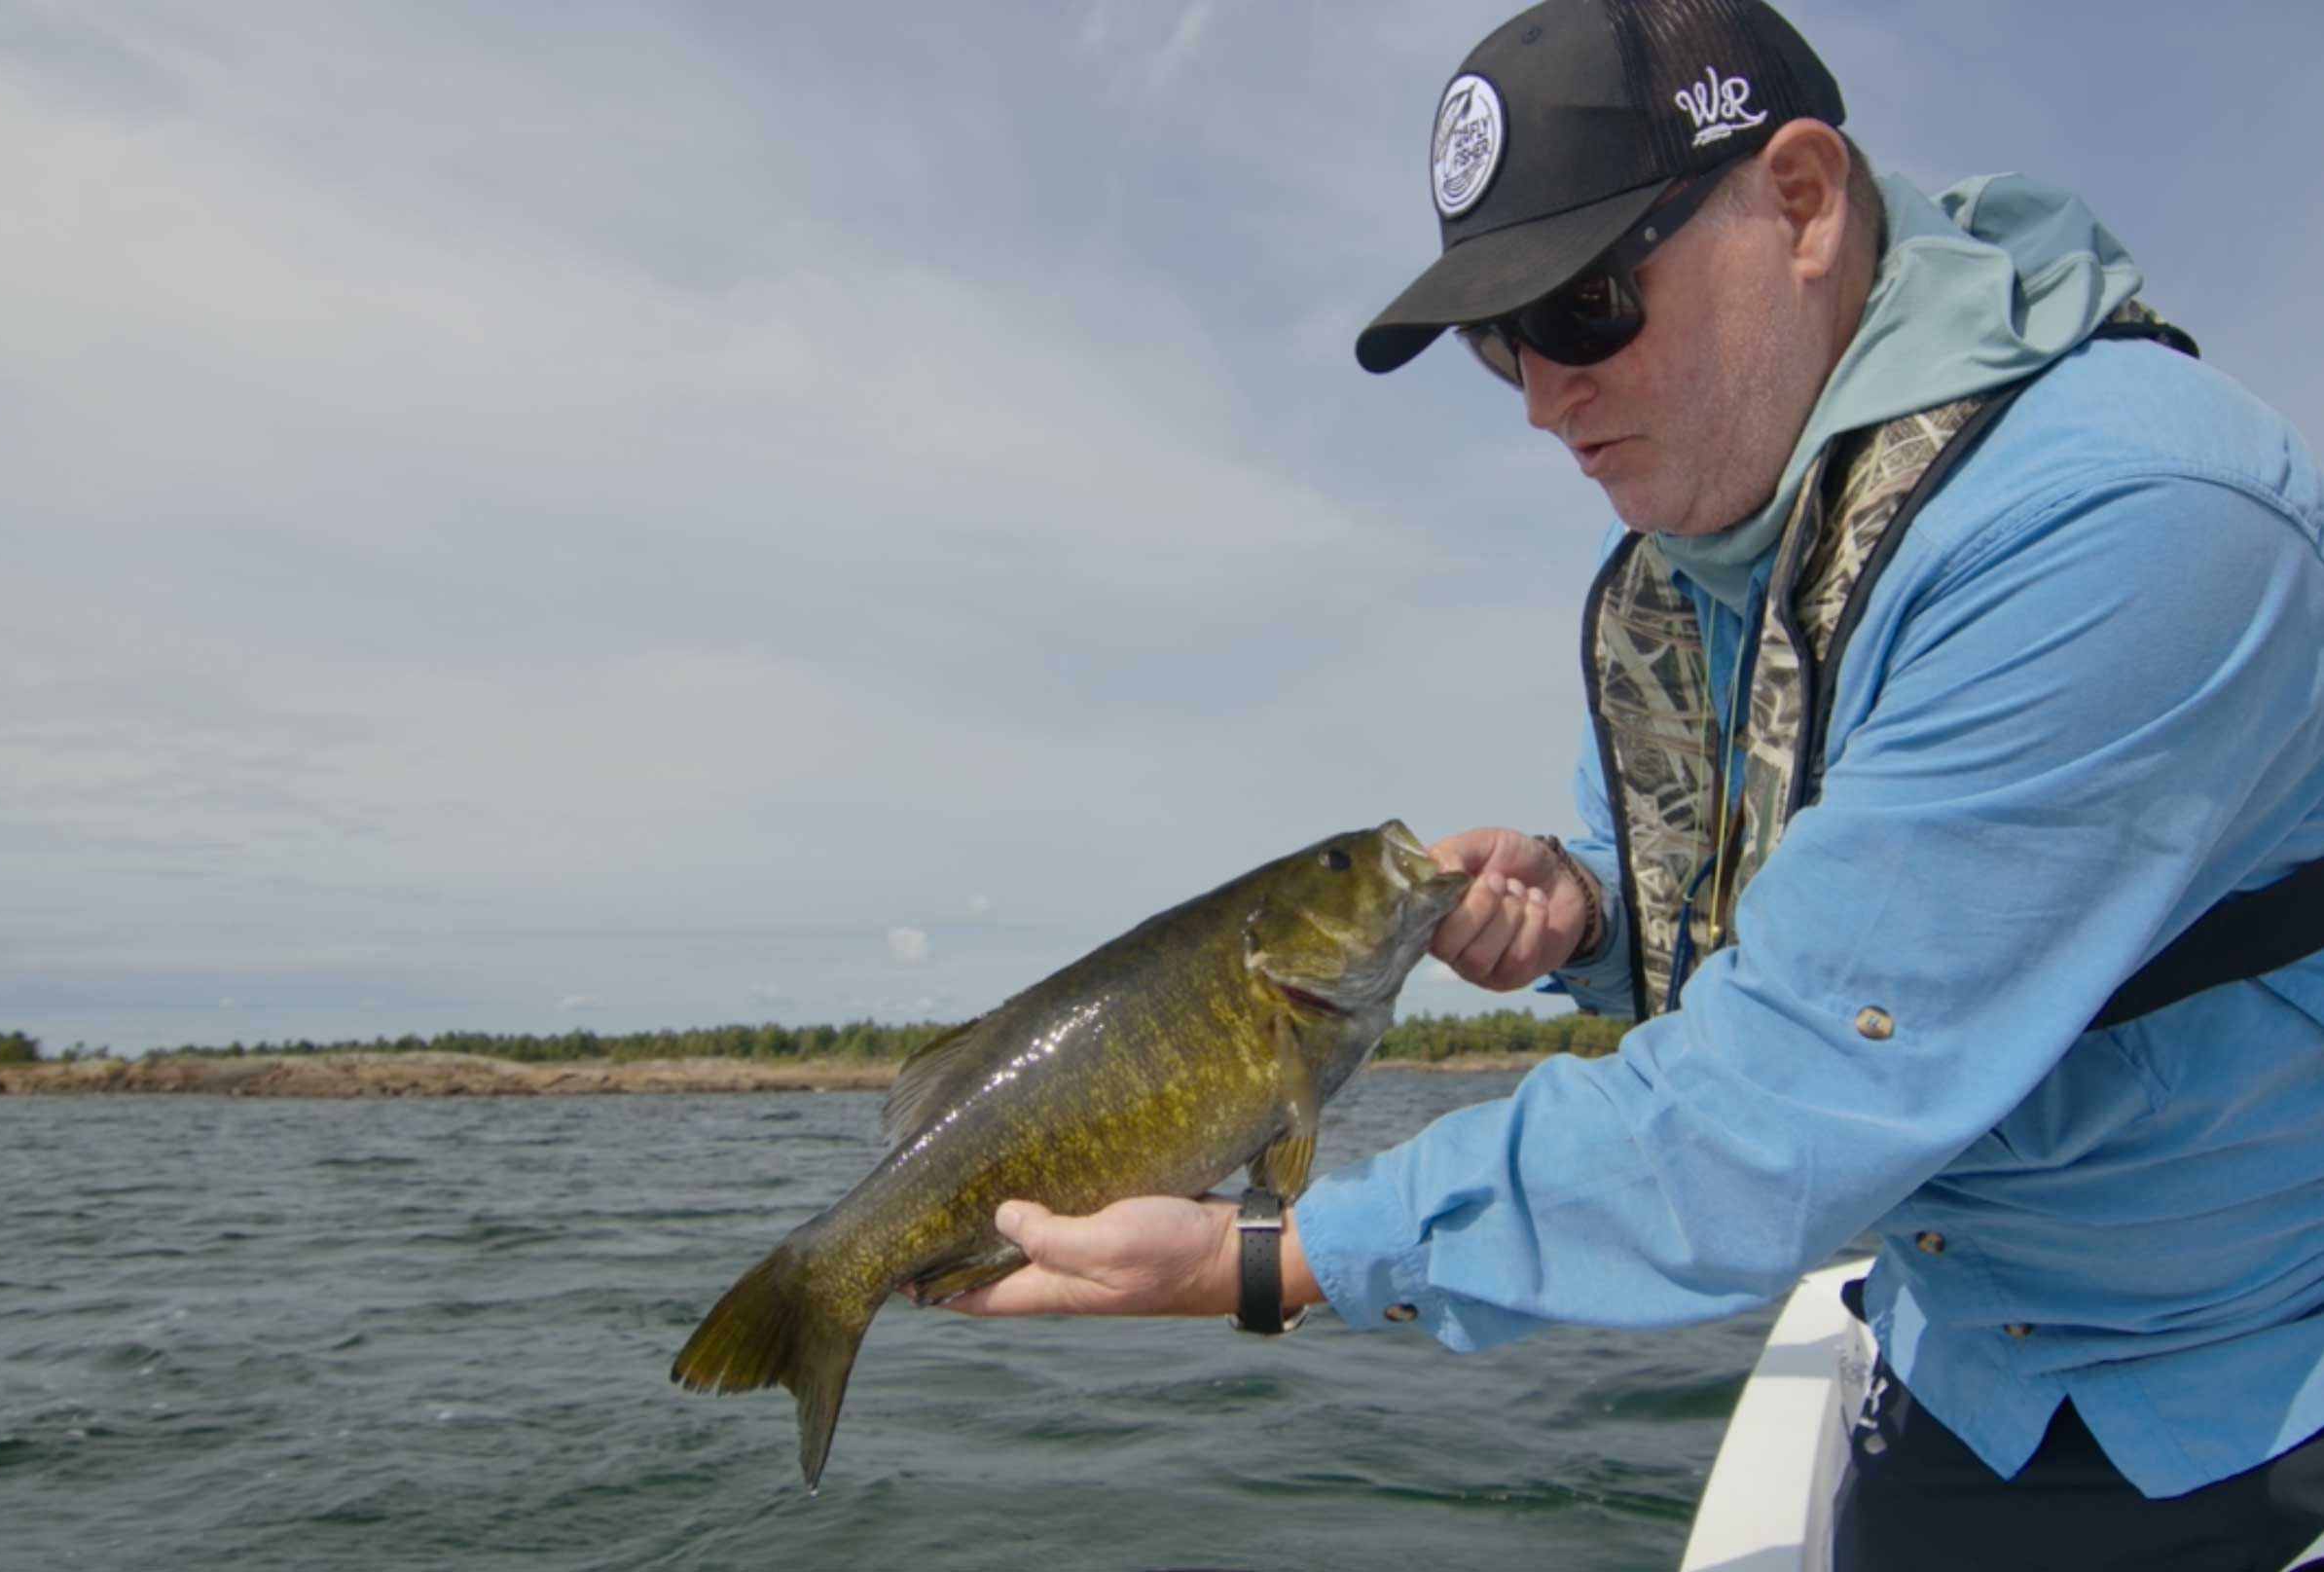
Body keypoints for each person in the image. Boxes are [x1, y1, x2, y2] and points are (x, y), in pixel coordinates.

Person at [933, 0, 2324, 1566]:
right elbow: (1816, 863)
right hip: (1966, 1355)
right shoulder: (1739, 539)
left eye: (1586, 303)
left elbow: (1779, 1097)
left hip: (2247, 1388)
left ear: (1800, 204)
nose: (1540, 394)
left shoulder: (2121, 528)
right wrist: (1591, 899)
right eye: (1495, 338)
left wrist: (1272, 1257)